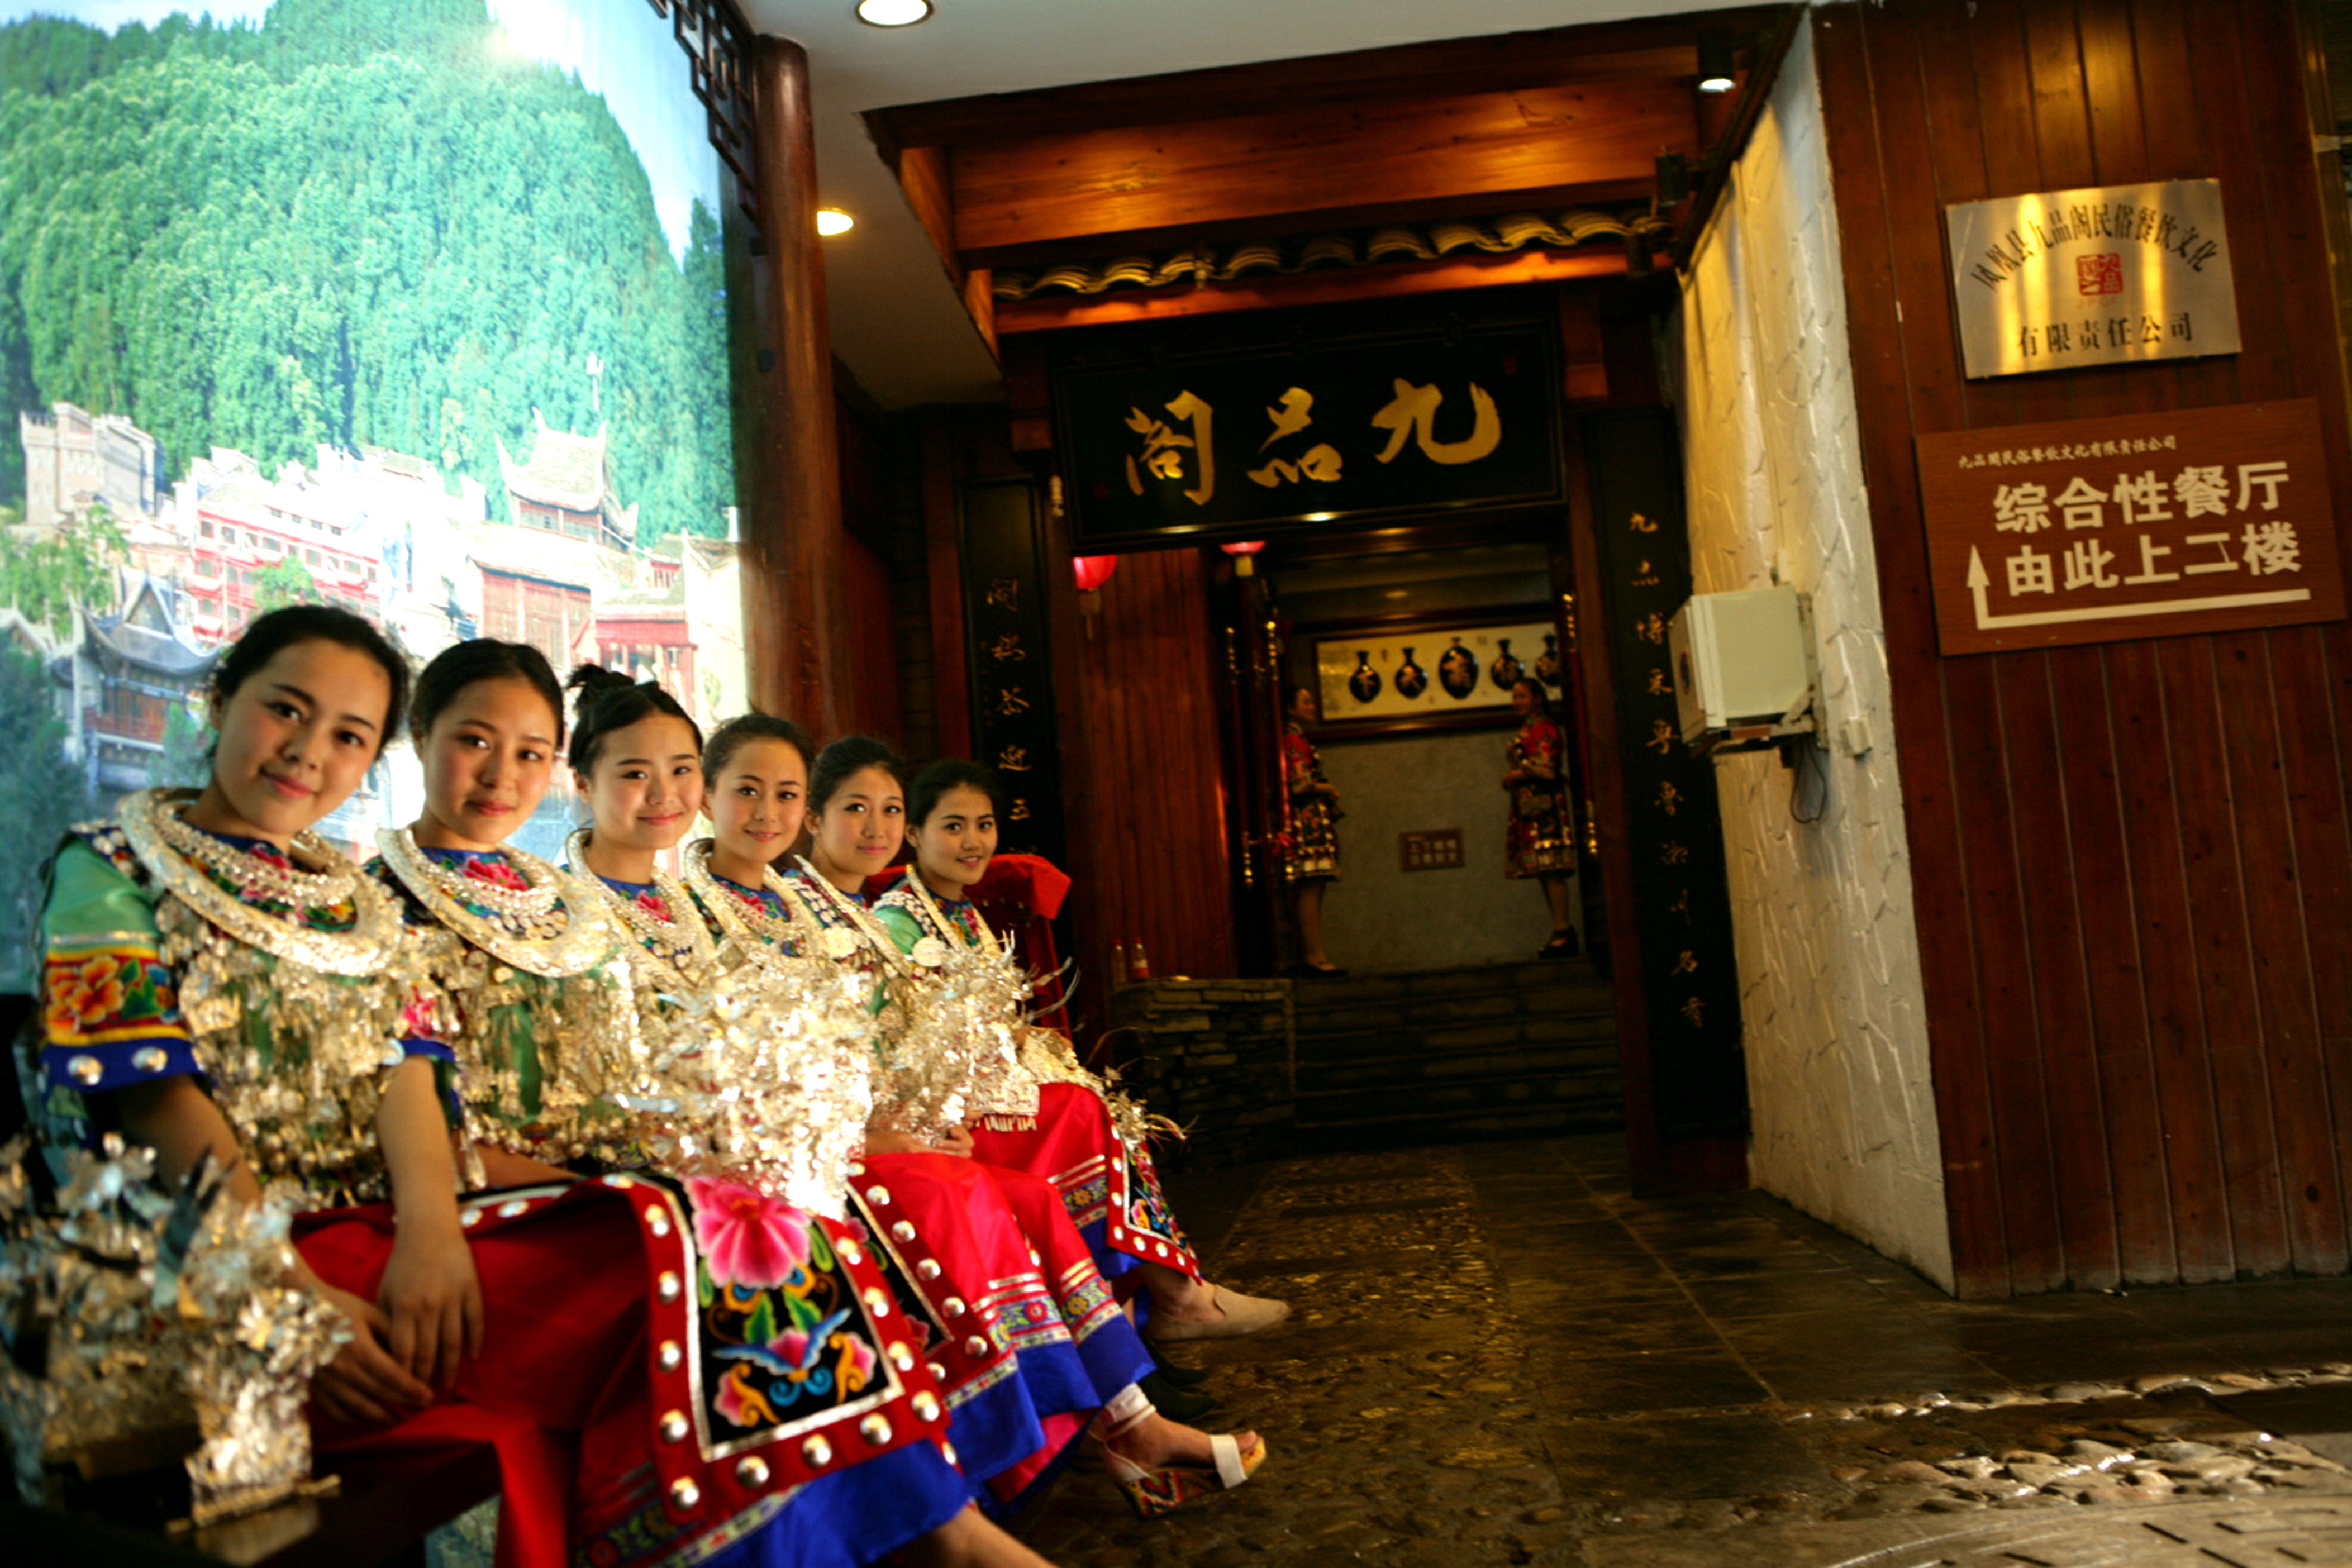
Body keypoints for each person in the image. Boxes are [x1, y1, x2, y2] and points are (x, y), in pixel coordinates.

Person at [363, 641, 1050, 1568]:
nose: (501, 773)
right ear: (419, 737)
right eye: (475, 741)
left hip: (639, 1159)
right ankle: (922, 1529)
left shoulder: (555, 902)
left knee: (785, 1222)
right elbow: (416, 1084)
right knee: (755, 1239)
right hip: (512, 1183)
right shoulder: (388, 904)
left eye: (527, 751)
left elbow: (632, 1067)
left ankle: (934, 1517)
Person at [786, 736, 1267, 1515]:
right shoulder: (843, 915)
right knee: (1051, 1140)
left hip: (910, 1117)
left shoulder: (866, 916)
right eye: (855, 808)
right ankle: (1127, 1383)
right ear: (814, 818)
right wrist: (896, 1125)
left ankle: (1137, 1395)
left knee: (1070, 1133)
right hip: (841, 1141)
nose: (875, 826)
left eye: (888, 808)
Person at [875, 758, 1290, 1347]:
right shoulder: (898, 922)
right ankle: (1173, 1296)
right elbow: (909, 1042)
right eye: (953, 826)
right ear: (914, 834)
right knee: (1078, 1108)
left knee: (1100, 1103)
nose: (973, 841)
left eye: (984, 825)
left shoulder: (962, 912)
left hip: (987, 1081)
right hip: (945, 1110)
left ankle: (1170, 1290)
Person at [1503, 676, 1579, 959]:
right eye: (1515, 696)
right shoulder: (1530, 728)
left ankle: (1563, 930)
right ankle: (1560, 928)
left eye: (1522, 696)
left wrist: (1515, 775)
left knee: (1551, 868)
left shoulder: (1545, 727)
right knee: (1544, 871)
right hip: (1530, 807)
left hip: (1545, 808)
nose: (1517, 702)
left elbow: (1547, 768)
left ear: (1537, 698)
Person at [1279, 685, 1344, 977]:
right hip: (1307, 820)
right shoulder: (1293, 740)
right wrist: (1327, 788)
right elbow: (1300, 784)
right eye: (1305, 702)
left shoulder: (1297, 738)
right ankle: (1314, 957)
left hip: (1311, 818)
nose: (1311, 706)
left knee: (1314, 888)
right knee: (1311, 887)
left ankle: (1316, 956)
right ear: (1291, 709)